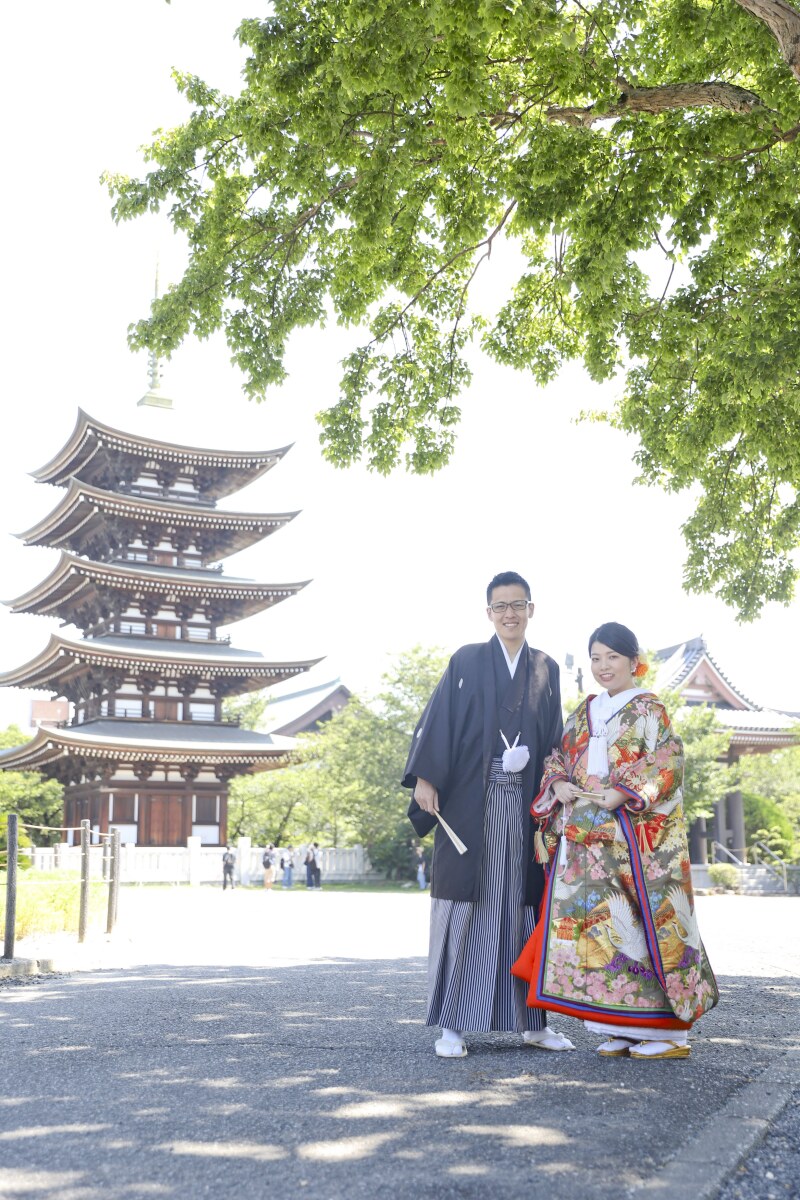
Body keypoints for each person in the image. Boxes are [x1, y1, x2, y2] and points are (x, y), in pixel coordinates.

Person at [512, 622, 720, 1059]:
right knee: (604, 931)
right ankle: (621, 1024)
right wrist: (559, 784)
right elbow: (558, 756)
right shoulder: (584, 711)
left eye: (612, 657)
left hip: (632, 837)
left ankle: (670, 1033)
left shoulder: (649, 710)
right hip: (587, 836)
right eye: (596, 657)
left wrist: (624, 791)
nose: (603, 666)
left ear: (632, 660)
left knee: (643, 926)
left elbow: (668, 759)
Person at [403, 571, 574, 1059]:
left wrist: (555, 779)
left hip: (524, 811)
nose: (509, 614)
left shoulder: (545, 668)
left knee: (522, 909)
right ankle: (453, 1025)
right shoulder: (467, 660)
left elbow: (554, 737)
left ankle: (532, 1021)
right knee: (465, 908)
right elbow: (439, 721)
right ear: (488, 613)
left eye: (517, 604)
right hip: (471, 802)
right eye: (500, 606)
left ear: (531, 609)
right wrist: (426, 777)